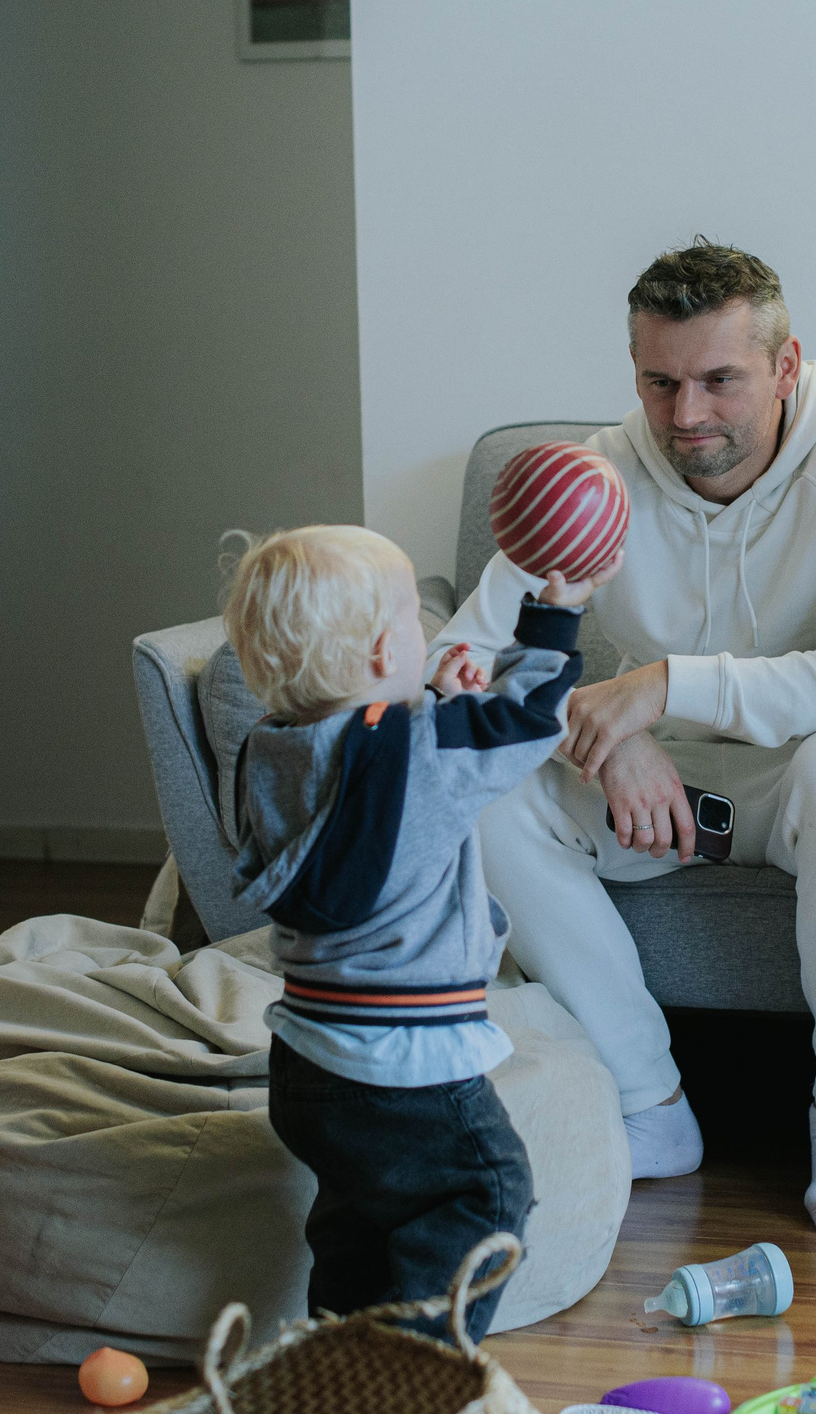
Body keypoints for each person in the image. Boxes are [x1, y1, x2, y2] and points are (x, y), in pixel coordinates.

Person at [433, 241, 816, 1236]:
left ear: (786, 366)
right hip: (661, 796)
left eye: (719, 380)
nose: (686, 415)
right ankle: (649, 1103)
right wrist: (599, 729)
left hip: (814, 783)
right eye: (659, 382)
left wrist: (664, 684)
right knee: (478, 785)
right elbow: (456, 662)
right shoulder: (595, 473)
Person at [222, 523, 609, 1334]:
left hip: (307, 1063)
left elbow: (366, 768)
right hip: (404, 1064)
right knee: (488, 1192)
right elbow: (527, 718)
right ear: (378, 652)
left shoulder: (268, 751)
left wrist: (432, 702)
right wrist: (556, 611)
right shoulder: (425, 754)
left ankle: (337, 1358)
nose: (425, 629)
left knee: (361, 1217)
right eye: (411, 615)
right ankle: (411, 1370)